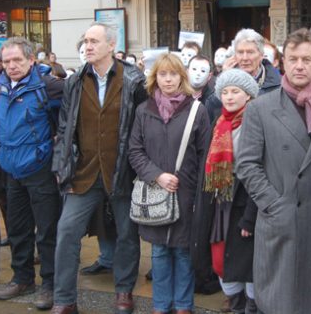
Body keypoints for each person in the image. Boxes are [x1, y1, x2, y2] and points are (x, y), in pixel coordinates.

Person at [236, 28, 311, 314]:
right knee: (277, 302)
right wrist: (274, 204)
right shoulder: (261, 107)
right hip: (280, 219)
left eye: (306, 59)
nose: (299, 65)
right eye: (293, 58)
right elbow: (246, 164)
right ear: (283, 61)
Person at [51, 22, 147, 314]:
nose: (88, 46)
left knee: (127, 234)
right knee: (67, 231)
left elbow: (142, 126)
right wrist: (61, 165)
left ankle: (124, 292)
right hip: (84, 171)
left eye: (94, 41)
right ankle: (64, 299)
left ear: (110, 46)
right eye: (85, 41)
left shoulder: (134, 79)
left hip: (122, 171)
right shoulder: (75, 81)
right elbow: (65, 127)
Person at [128, 53, 210, 314]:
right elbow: (135, 150)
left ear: (181, 77)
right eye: (162, 74)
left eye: (173, 74)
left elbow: (204, 154)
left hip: (186, 193)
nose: (168, 79)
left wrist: (198, 195)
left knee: (184, 252)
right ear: (155, 78)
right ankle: (161, 305)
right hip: (155, 192)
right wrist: (156, 175)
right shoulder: (144, 111)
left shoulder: (197, 110)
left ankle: (184, 305)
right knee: (160, 252)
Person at [0, 37, 64, 310]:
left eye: (17, 60)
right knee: (18, 230)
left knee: (47, 230)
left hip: (40, 169)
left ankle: (50, 283)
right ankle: (22, 278)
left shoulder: (48, 86)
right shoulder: (0, 87)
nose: (11, 66)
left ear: (31, 60)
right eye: (7, 61)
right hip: (11, 169)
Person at [192, 69, 260, 314]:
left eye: (235, 91)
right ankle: (235, 304)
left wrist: (250, 217)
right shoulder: (218, 123)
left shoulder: (256, 123)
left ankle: (251, 306)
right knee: (221, 261)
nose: (229, 97)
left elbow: (260, 170)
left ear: (249, 96)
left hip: (245, 207)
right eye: (224, 92)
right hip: (220, 205)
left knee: (248, 266)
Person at [207, 29, 280, 121]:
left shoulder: (277, 84)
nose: (245, 58)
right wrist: (225, 79)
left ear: (261, 55)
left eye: (250, 52)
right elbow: (213, 108)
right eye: (240, 52)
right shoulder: (224, 79)